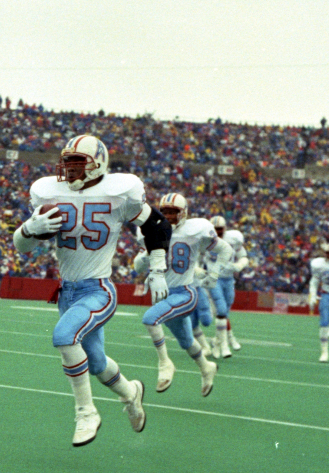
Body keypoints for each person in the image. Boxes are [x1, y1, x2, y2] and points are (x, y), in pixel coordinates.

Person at [12, 134, 170, 447]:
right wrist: (29, 229)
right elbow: (22, 247)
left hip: (98, 289)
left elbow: (157, 225)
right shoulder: (49, 192)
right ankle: (131, 394)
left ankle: (86, 412)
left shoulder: (118, 193)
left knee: (64, 337)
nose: (68, 169)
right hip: (67, 292)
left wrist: (158, 268)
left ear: (98, 164)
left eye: (76, 162)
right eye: (66, 161)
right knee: (96, 362)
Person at [134, 193, 227, 396]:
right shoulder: (150, 231)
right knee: (186, 341)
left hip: (184, 293)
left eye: (173, 212)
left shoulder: (195, 229)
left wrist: (214, 273)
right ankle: (206, 367)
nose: (168, 216)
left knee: (150, 319)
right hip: (163, 296)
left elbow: (225, 249)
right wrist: (144, 257)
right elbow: (137, 266)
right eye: (165, 211)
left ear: (183, 213)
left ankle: (165, 364)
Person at [206, 216, 249, 357]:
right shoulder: (204, 239)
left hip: (229, 279)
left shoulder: (233, 239)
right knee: (221, 310)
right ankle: (225, 345)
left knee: (226, 312)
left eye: (220, 229)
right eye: (215, 229)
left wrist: (240, 265)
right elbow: (196, 258)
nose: (217, 232)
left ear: (224, 228)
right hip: (214, 278)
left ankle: (217, 343)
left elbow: (243, 256)